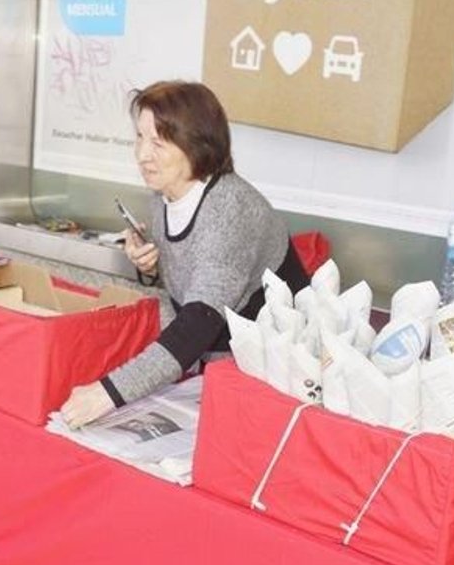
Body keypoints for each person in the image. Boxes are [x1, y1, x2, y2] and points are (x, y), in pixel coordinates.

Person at [59, 80, 311, 427]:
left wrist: (107, 394)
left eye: (158, 143)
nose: (142, 155)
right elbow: (193, 272)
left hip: (276, 375)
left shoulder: (229, 210)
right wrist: (150, 266)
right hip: (219, 360)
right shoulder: (166, 191)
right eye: (139, 137)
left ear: (196, 146)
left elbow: (198, 322)